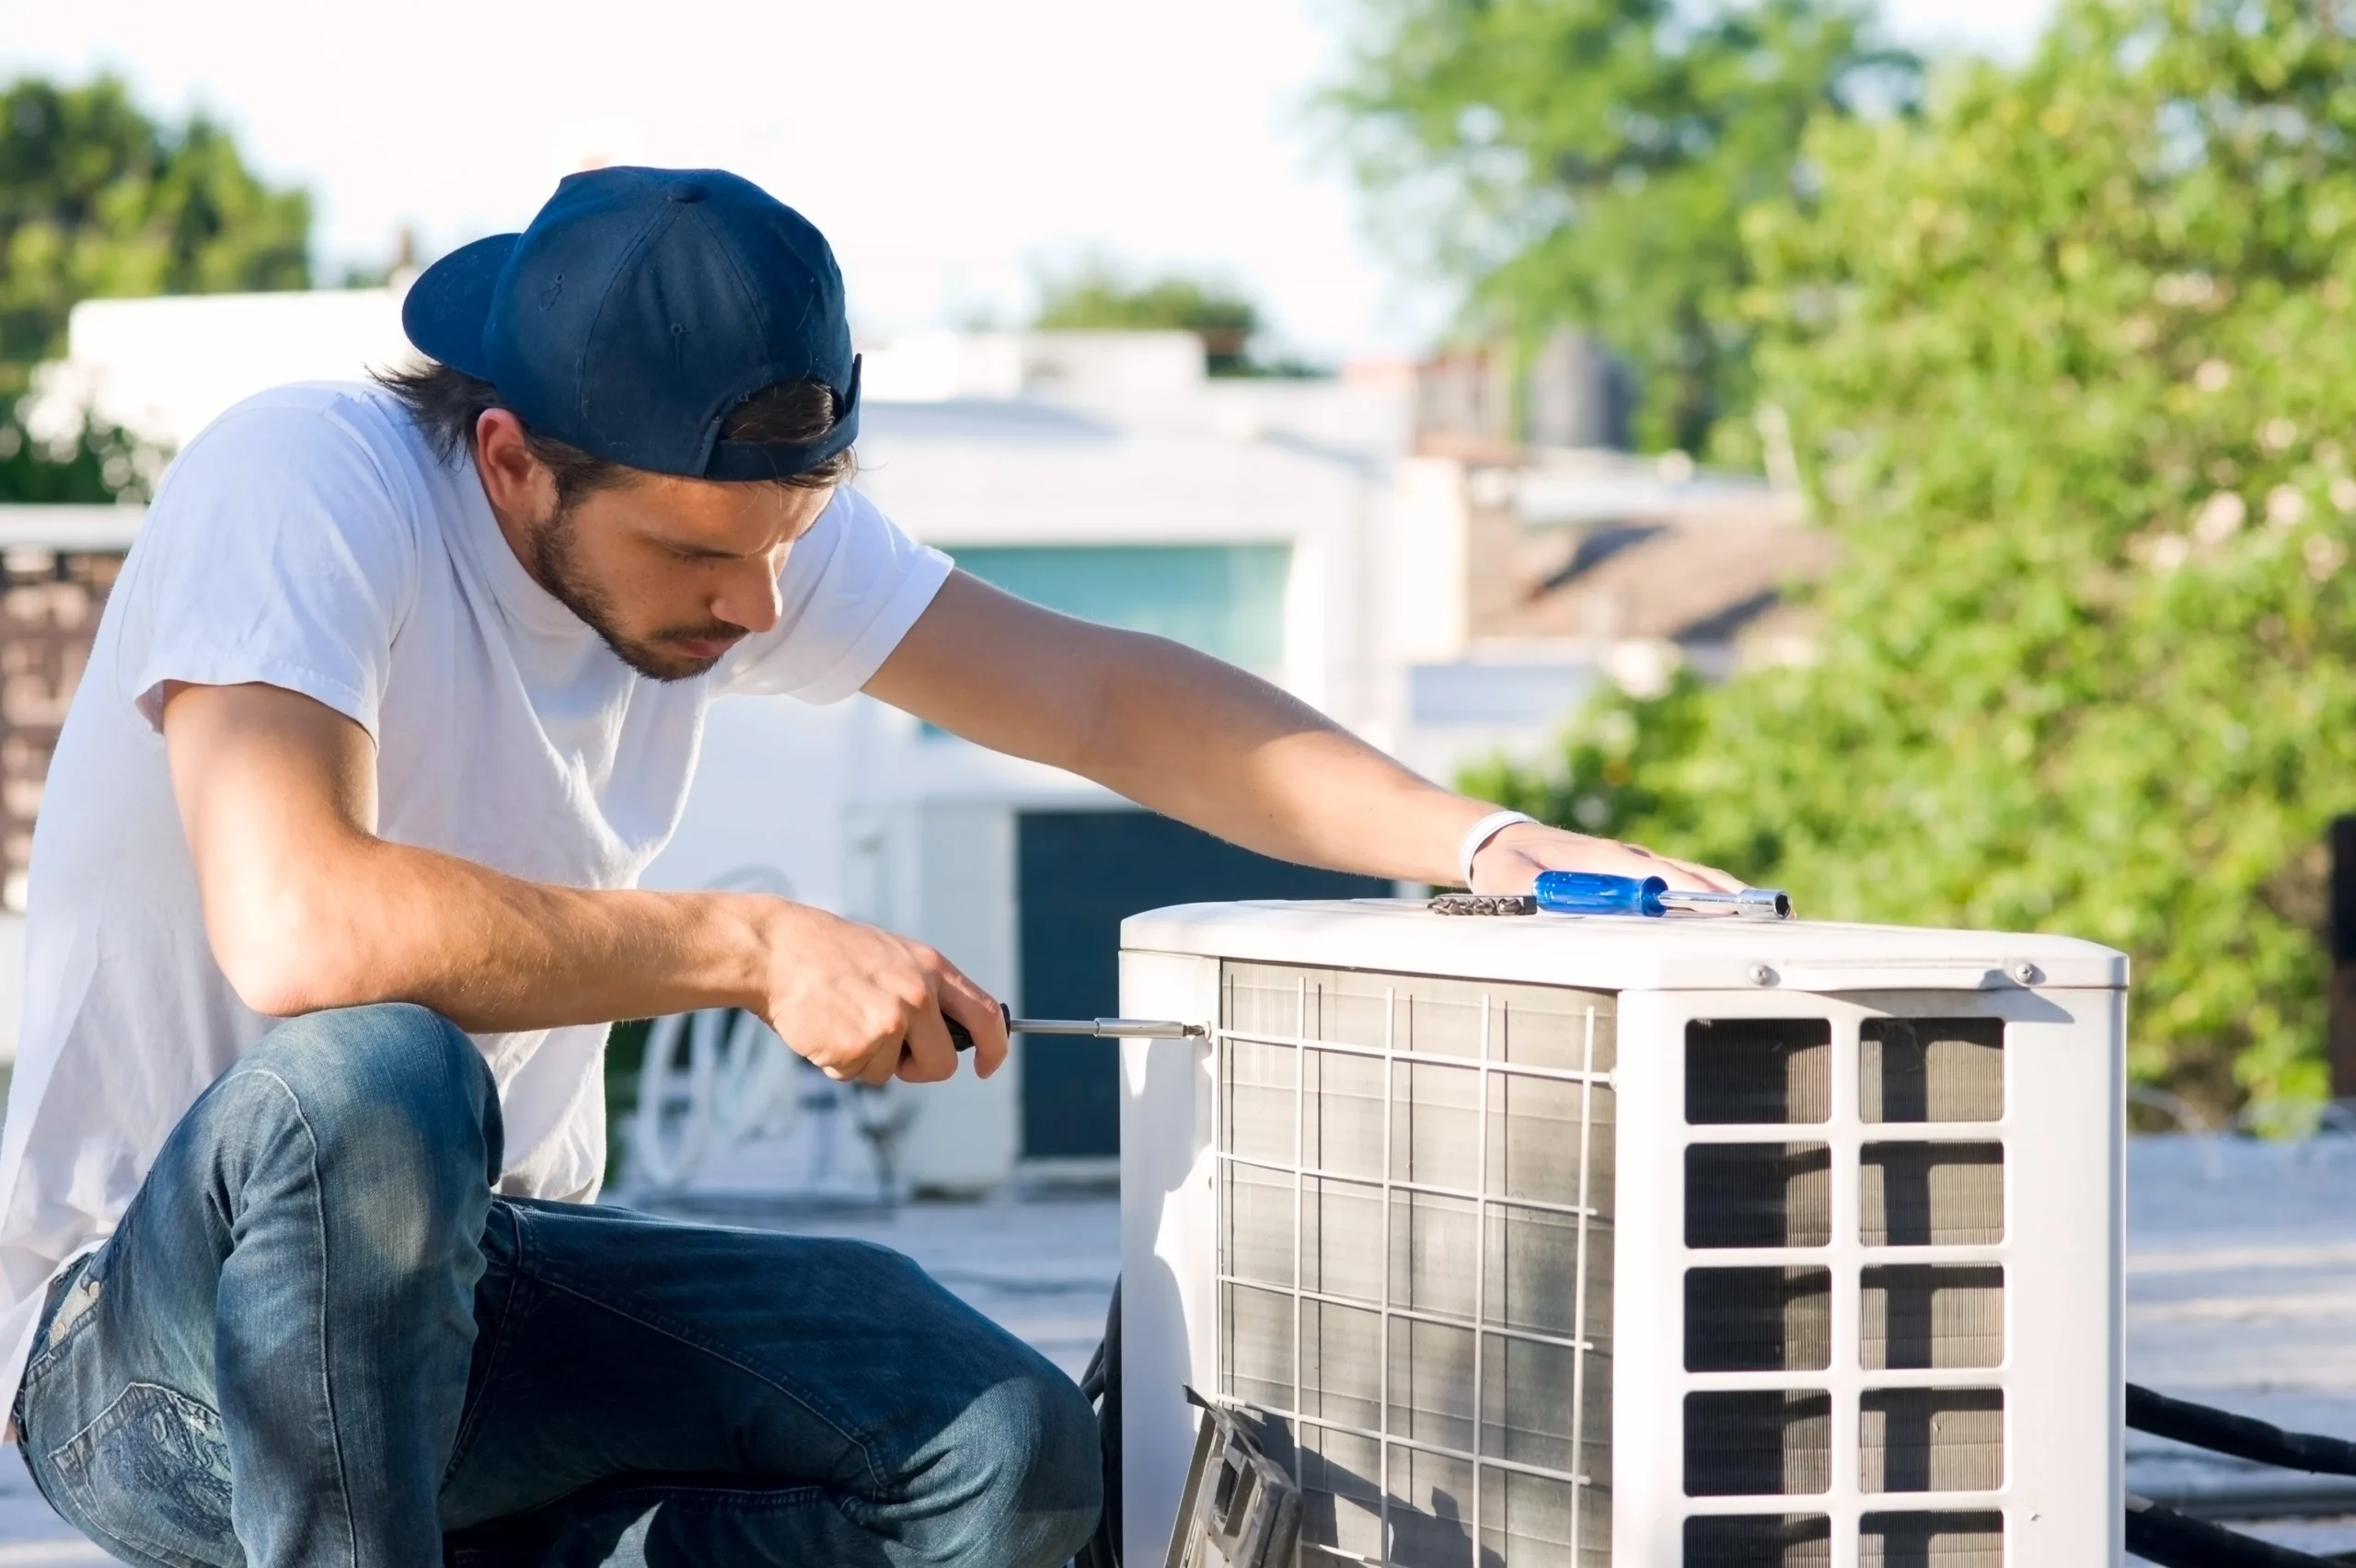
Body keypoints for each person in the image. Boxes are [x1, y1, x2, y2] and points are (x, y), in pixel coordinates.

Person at [0, 167, 1732, 1568]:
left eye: (787, 548)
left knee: (1005, 1448)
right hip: (152, 1348)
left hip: (487, 1303)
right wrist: (756, 945)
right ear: (511, 460)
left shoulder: (733, 527)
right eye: (697, 555)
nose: (756, 607)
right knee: (370, 1074)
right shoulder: (306, 478)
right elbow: (303, 922)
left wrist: (1493, 843)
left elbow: (1106, 694)